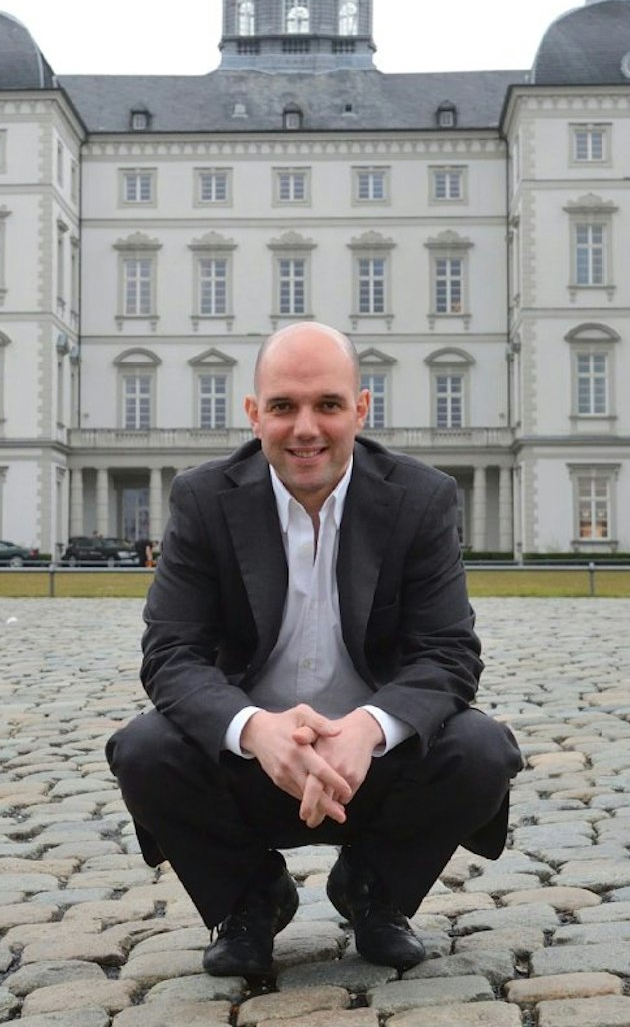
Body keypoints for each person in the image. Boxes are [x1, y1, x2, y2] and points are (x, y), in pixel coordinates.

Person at [106, 321, 521, 977]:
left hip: (373, 768)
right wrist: (255, 730)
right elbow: (171, 653)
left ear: (360, 409)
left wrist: (368, 728)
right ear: (254, 414)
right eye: (283, 406)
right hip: (249, 765)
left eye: (327, 404)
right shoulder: (203, 499)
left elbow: (447, 653)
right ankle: (249, 898)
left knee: (481, 750)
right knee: (143, 750)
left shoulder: (421, 498)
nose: (306, 428)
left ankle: (373, 888)